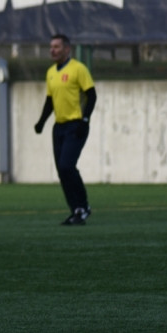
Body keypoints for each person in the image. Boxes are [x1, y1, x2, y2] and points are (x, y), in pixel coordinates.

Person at [34, 33, 97, 225]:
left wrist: (85, 120)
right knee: (62, 171)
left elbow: (92, 95)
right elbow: (50, 101)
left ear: (67, 49)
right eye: (51, 46)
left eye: (57, 47)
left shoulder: (78, 69)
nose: (52, 50)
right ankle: (76, 210)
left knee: (66, 166)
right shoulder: (51, 72)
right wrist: (42, 122)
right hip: (59, 127)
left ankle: (83, 206)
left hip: (76, 125)